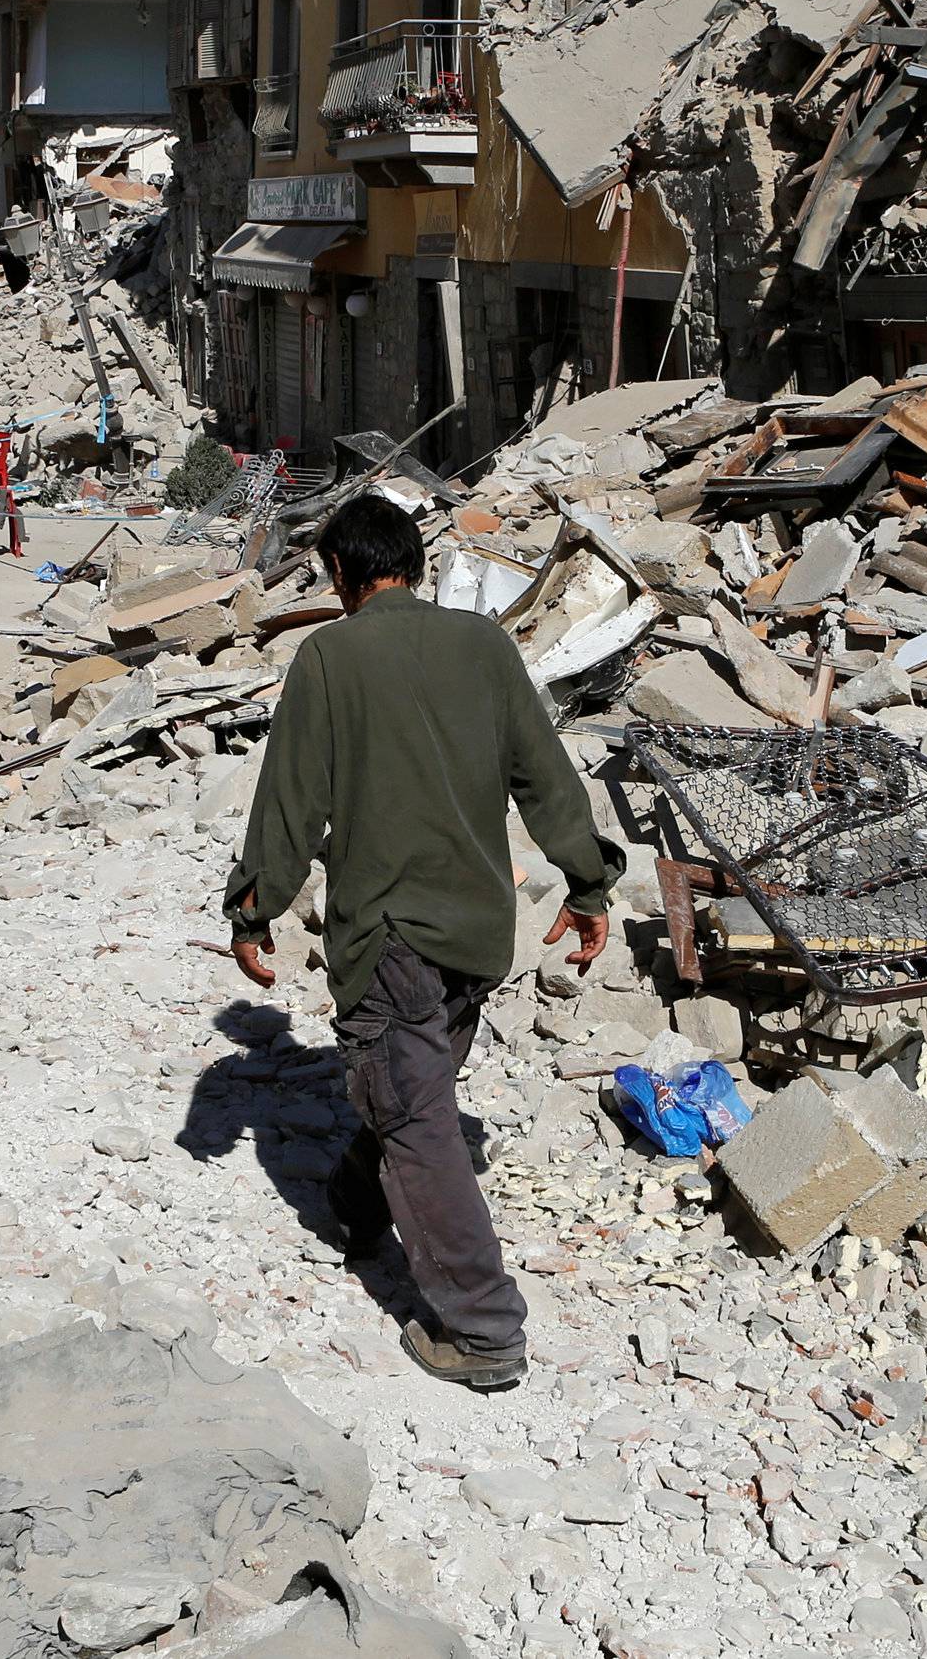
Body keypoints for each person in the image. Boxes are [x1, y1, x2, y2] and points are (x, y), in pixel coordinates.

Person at [224, 493, 623, 1392]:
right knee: (411, 1081)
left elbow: (290, 805)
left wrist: (255, 911)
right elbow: (546, 776)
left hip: (391, 934)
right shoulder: (485, 646)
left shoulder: (328, 655)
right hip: (481, 931)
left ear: (341, 576)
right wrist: (590, 882)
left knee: (412, 1113)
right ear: (416, 562)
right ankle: (355, 1209)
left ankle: (482, 1330)